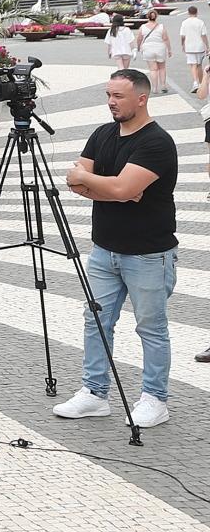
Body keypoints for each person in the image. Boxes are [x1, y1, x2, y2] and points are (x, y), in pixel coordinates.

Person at [55, 69, 177, 428]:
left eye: (119, 96)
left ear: (142, 98)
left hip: (148, 254)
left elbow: (114, 188)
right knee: (96, 321)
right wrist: (114, 188)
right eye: (108, 95)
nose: (111, 102)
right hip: (104, 250)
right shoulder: (102, 133)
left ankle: (155, 399)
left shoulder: (156, 142)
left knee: (151, 328)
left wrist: (106, 186)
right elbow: (77, 182)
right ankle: (94, 394)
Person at [137, 14, 172, 93]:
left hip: (148, 48)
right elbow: (165, 38)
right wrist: (169, 49)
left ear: (147, 17)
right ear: (156, 17)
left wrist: (139, 47)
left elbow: (139, 38)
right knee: (162, 68)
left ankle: (154, 88)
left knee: (153, 70)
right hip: (160, 48)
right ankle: (163, 85)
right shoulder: (161, 27)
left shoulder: (143, 27)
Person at [182, 5, 209, 95]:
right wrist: (207, 45)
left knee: (192, 65)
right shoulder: (200, 22)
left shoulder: (184, 23)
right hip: (199, 45)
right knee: (199, 65)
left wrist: (183, 44)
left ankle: (195, 82)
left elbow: (183, 35)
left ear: (188, 12)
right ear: (197, 12)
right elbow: (203, 35)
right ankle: (201, 83)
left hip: (189, 45)